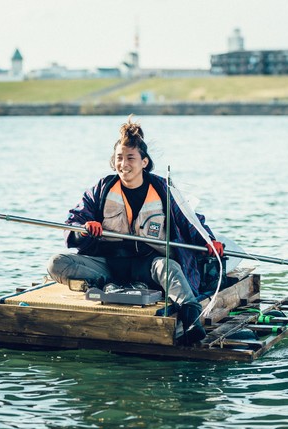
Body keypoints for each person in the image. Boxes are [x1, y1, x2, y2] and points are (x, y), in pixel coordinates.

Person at [47, 115, 224, 345]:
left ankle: (190, 318)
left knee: (170, 267)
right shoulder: (101, 188)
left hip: (149, 266)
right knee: (56, 263)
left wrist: (209, 242)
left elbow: (191, 221)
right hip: (108, 266)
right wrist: (83, 229)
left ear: (144, 162)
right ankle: (110, 284)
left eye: (130, 158)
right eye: (119, 158)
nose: (124, 164)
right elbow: (75, 219)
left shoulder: (163, 189)